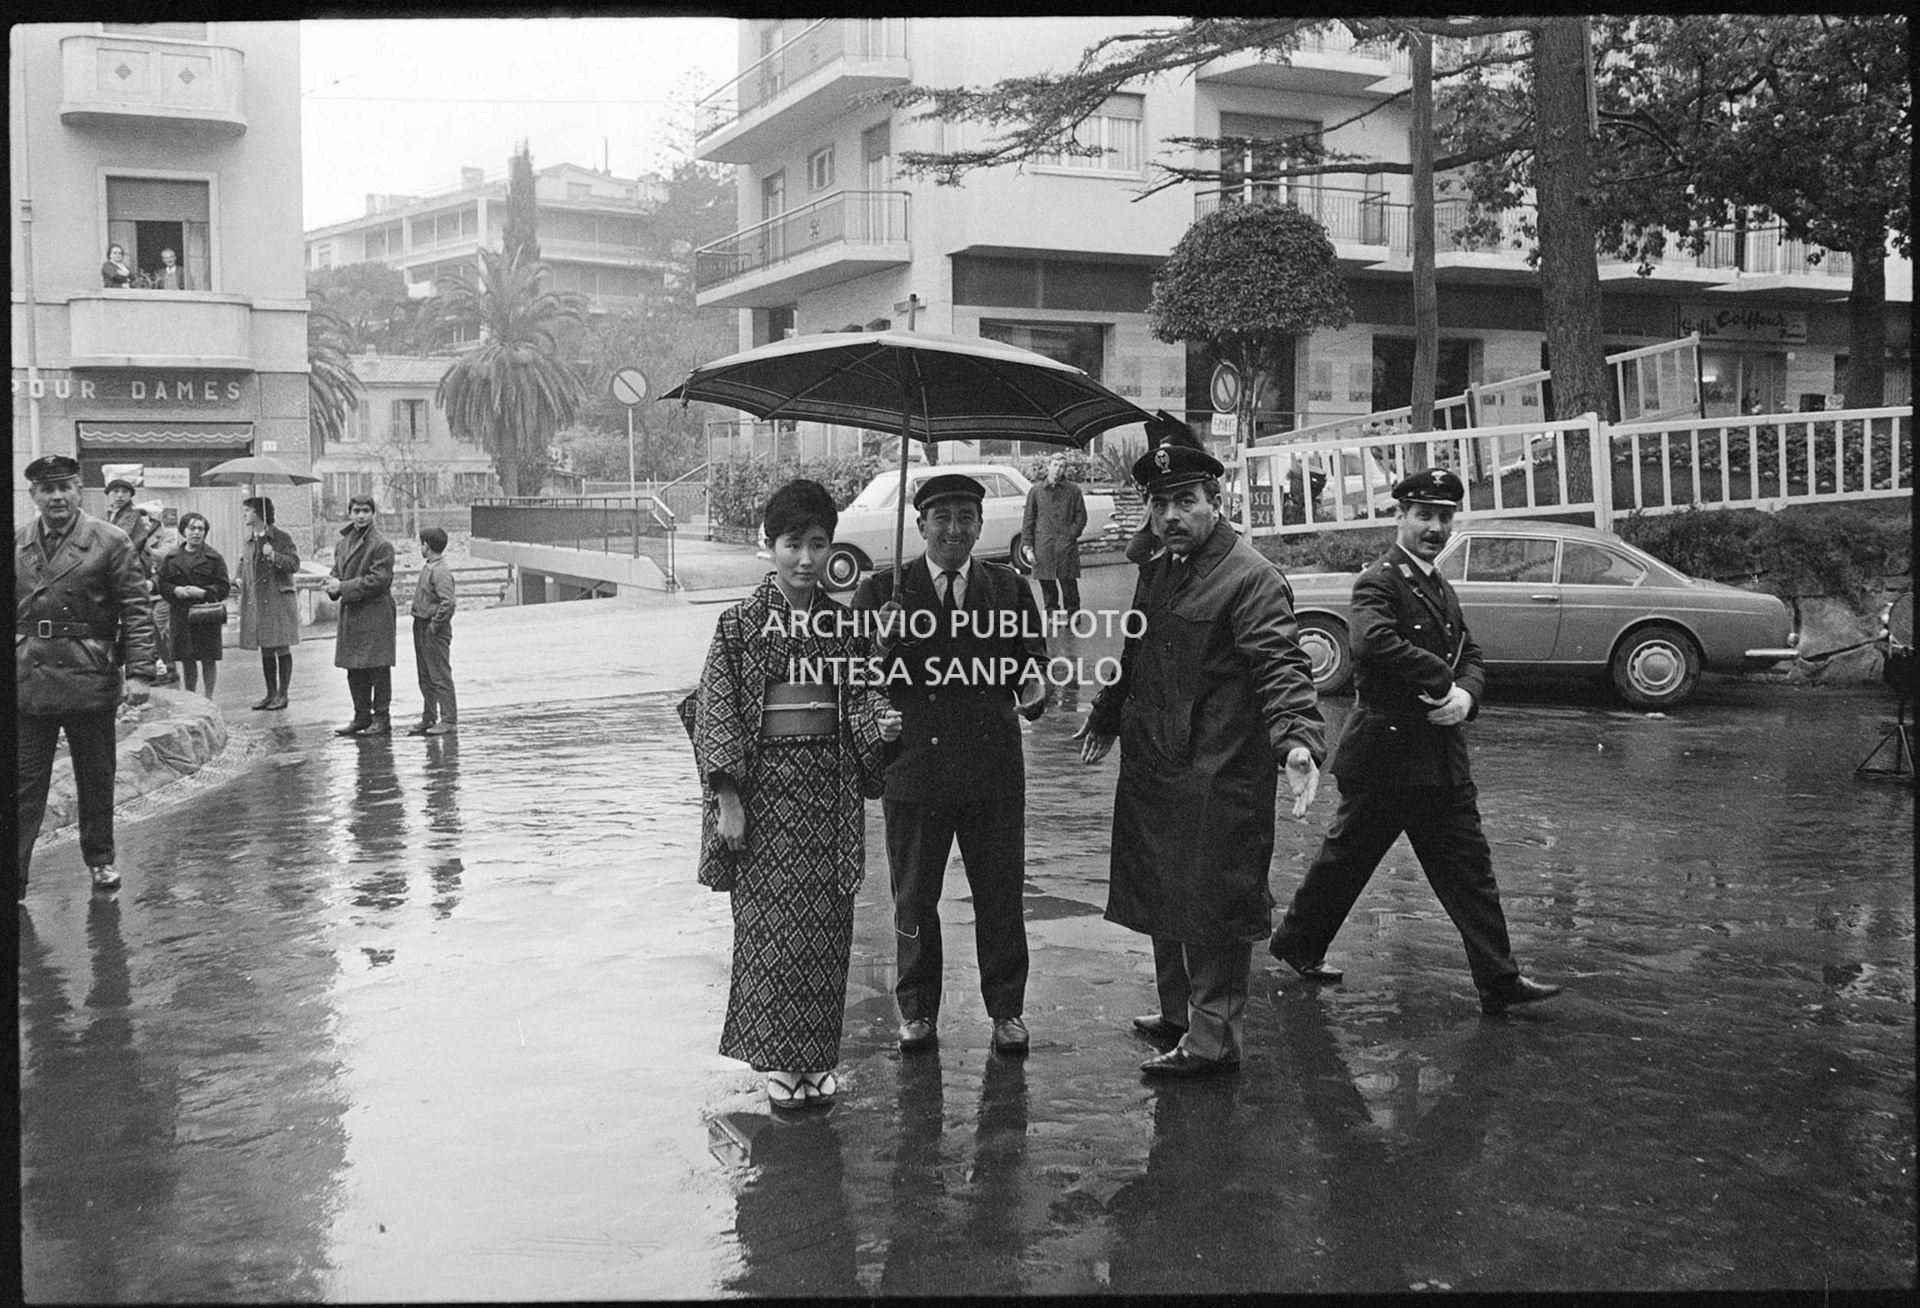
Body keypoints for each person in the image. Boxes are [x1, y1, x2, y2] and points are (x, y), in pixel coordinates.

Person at [1075, 433, 1327, 1078]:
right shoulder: (1161, 567)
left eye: (1184, 501)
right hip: (1157, 761)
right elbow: (1136, 649)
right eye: (1159, 505)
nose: (1170, 517)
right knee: (1163, 888)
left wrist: (1297, 739)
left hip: (1219, 771)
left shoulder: (1250, 577)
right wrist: (1107, 715)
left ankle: (1213, 1040)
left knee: (1211, 900)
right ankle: (1179, 1014)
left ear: (1214, 500)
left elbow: (1280, 663)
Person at [1268, 467, 1563, 1015]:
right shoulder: (1379, 580)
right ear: (1399, 517)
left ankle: (1499, 979)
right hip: (1385, 756)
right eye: (1423, 515)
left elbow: (1472, 655)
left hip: (1439, 760)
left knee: (1470, 870)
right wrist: (1440, 679)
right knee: (1346, 862)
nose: (1434, 527)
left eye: (1444, 517)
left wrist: (1466, 698)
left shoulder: (1438, 585)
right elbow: (1373, 642)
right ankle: (1298, 943)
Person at [694, 479, 902, 1109]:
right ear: (771, 546)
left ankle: (815, 1060)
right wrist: (728, 800)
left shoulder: (846, 627)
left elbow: (863, 698)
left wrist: (879, 722)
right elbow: (717, 714)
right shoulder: (738, 626)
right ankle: (780, 1062)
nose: (807, 559)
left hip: (828, 800)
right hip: (764, 802)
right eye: (794, 545)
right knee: (769, 935)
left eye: (818, 544)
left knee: (824, 932)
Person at [852, 473, 1049, 1057]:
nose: (955, 530)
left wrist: (1035, 687)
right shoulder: (882, 590)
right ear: (920, 526)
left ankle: (1007, 1011)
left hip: (991, 771)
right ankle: (917, 1013)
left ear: (980, 526)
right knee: (914, 898)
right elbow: (860, 682)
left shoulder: (1008, 587)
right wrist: (881, 645)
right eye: (943, 518)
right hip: (915, 773)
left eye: (967, 518)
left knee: (1000, 897)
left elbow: (1030, 661)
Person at [16, 453, 156, 898]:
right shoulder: (16, 543)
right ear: (34, 495)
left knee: (95, 776)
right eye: (47, 489)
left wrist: (140, 674)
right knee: (23, 784)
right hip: (30, 678)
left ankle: (100, 860)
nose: (57, 496)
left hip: (89, 674)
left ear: (79, 491)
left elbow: (136, 610)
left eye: (65, 487)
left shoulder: (110, 540)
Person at [326, 495, 397, 736]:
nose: (360, 515)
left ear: (373, 513)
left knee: (378, 668)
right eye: (356, 510)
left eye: (366, 510)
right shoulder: (343, 543)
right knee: (354, 668)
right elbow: (337, 571)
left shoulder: (381, 544)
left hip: (375, 612)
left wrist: (342, 587)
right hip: (352, 613)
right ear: (349, 513)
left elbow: (379, 580)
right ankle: (361, 715)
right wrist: (331, 584)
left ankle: (382, 717)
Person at [155, 512, 230, 698]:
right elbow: (162, 584)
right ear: (183, 531)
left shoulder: (214, 558)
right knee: (187, 659)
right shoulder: (171, 558)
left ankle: (209, 698)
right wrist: (175, 591)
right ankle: (191, 698)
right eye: (192, 528)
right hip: (181, 615)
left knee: (208, 658)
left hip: (206, 614)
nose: (196, 532)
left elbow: (224, 587)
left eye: (201, 529)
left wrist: (203, 593)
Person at [237, 495, 301, 712]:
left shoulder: (281, 537)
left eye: (247, 510)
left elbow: (294, 564)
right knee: (266, 647)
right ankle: (270, 693)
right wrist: (239, 577)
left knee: (281, 645)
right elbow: (243, 562)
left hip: (278, 600)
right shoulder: (250, 540)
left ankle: (283, 695)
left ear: (257, 513)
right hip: (258, 602)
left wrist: (274, 555)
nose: (244, 514)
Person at [1021, 451, 1087, 614]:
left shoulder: (1073, 491)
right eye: (1055, 465)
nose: (1058, 470)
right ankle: (1052, 612)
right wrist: (1027, 545)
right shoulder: (1036, 491)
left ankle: (1073, 613)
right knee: (1047, 582)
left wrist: (1070, 535)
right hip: (1043, 544)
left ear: (1065, 469)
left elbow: (1081, 517)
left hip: (1066, 545)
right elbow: (1029, 519)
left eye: (1062, 466)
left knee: (1068, 582)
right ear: (1048, 466)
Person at [407, 526, 458, 736]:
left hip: (433, 628)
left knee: (439, 675)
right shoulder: (431, 567)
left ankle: (448, 719)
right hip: (421, 624)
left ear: (427, 546)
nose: (421, 547)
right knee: (425, 675)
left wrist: (434, 626)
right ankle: (429, 717)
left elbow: (448, 603)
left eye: (422, 544)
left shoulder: (441, 571)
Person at [139, 502, 180, 684]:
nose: (145, 525)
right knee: (154, 631)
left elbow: (165, 554)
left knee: (158, 630)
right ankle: (163, 669)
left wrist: (143, 546)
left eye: (148, 521)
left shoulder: (168, 535)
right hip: (147, 591)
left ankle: (168, 670)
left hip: (163, 590)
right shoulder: (137, 537)